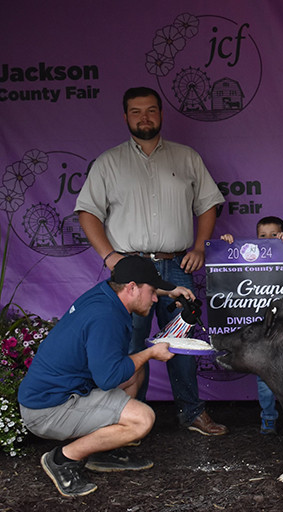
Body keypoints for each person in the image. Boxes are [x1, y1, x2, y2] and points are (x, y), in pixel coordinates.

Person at [75, 87, 228, 435]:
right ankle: (128, 419)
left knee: (183, 343)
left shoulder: (186, 157)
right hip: (131, 271)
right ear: (125, 116)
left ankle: (192, 414)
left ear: (161, 113)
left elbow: (207, 204)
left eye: (151, 110)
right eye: (135, 111)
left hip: (176, 265)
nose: (144, 117)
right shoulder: (108, 163)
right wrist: (109, 256)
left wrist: (200, 247)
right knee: (128, 346)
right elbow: (87, 212)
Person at [18, 256, 194, 497]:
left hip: (63, 392)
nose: (155, 298)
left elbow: (114, 370)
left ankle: (104, 451)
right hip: (47, 410)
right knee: (142, 419)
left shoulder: (106, 293)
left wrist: (170, 291)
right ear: (132, 288)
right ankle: (61, 459)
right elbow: (109, 378)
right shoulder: (105, 317)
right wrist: (152, 352)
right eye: (152, 291)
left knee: (136, 368)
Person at [220, 216, 283, 436]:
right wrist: (226, 247)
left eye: (275, 235)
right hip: (262, 335)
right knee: (263, 379)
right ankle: (268, 417)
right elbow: (228, 269)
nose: (269, 239)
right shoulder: (248, 261)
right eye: (263, 236)